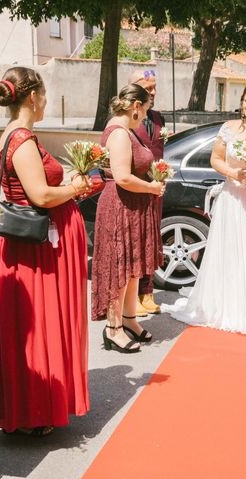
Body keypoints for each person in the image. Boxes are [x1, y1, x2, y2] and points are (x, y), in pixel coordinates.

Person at [0, 67, 91, 435]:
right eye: (43, 95)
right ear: (32, 97)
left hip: (28, 246)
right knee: (36, 325)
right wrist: (77, 187)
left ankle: (29, 404)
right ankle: (32, 410)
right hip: (32, 248)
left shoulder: (14, 133)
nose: (44, 101)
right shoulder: (23, 138)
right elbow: (40, 195)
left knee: (25, 327)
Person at [162, 80, 246, 337]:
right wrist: (234, 172)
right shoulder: (229, 128)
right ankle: (231, 307)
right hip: (235, 196)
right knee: (234, 250)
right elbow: (215, 159)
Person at [91, 83, 164, 353]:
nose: (146, 116)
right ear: (136, 106)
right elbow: (122, 177)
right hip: (120, 206)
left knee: (133, 266)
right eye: (145, 110)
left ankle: (129, 319)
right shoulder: (120, 134)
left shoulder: (127, 131)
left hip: (132, 205)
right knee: (119, 268)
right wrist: (152, 187)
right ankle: (113, 327)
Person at [128, 68, 166, 316]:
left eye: (154, 87)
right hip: (135, 185)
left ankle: (148, 291)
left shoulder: (159, 117)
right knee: (137, 240)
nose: (152, 91)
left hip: (156, 186)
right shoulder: (128, 118)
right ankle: (133, 297)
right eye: (147, 87)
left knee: (153, 239)